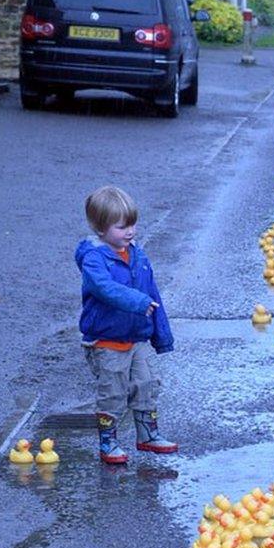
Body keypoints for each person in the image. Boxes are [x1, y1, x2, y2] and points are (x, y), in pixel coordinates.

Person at [75, 186, 176, 464]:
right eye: (121, 227)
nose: (130, 231)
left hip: (136, 338)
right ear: (100, 228)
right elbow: (104, 288)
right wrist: (136, 301)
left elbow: (153, 295)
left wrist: (161, 335)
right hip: (107, 341)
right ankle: (108, 442)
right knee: (113, 391)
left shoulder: (138, 256)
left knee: (146, 384)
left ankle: (147, 435)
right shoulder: (94, 259)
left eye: (132, 223)